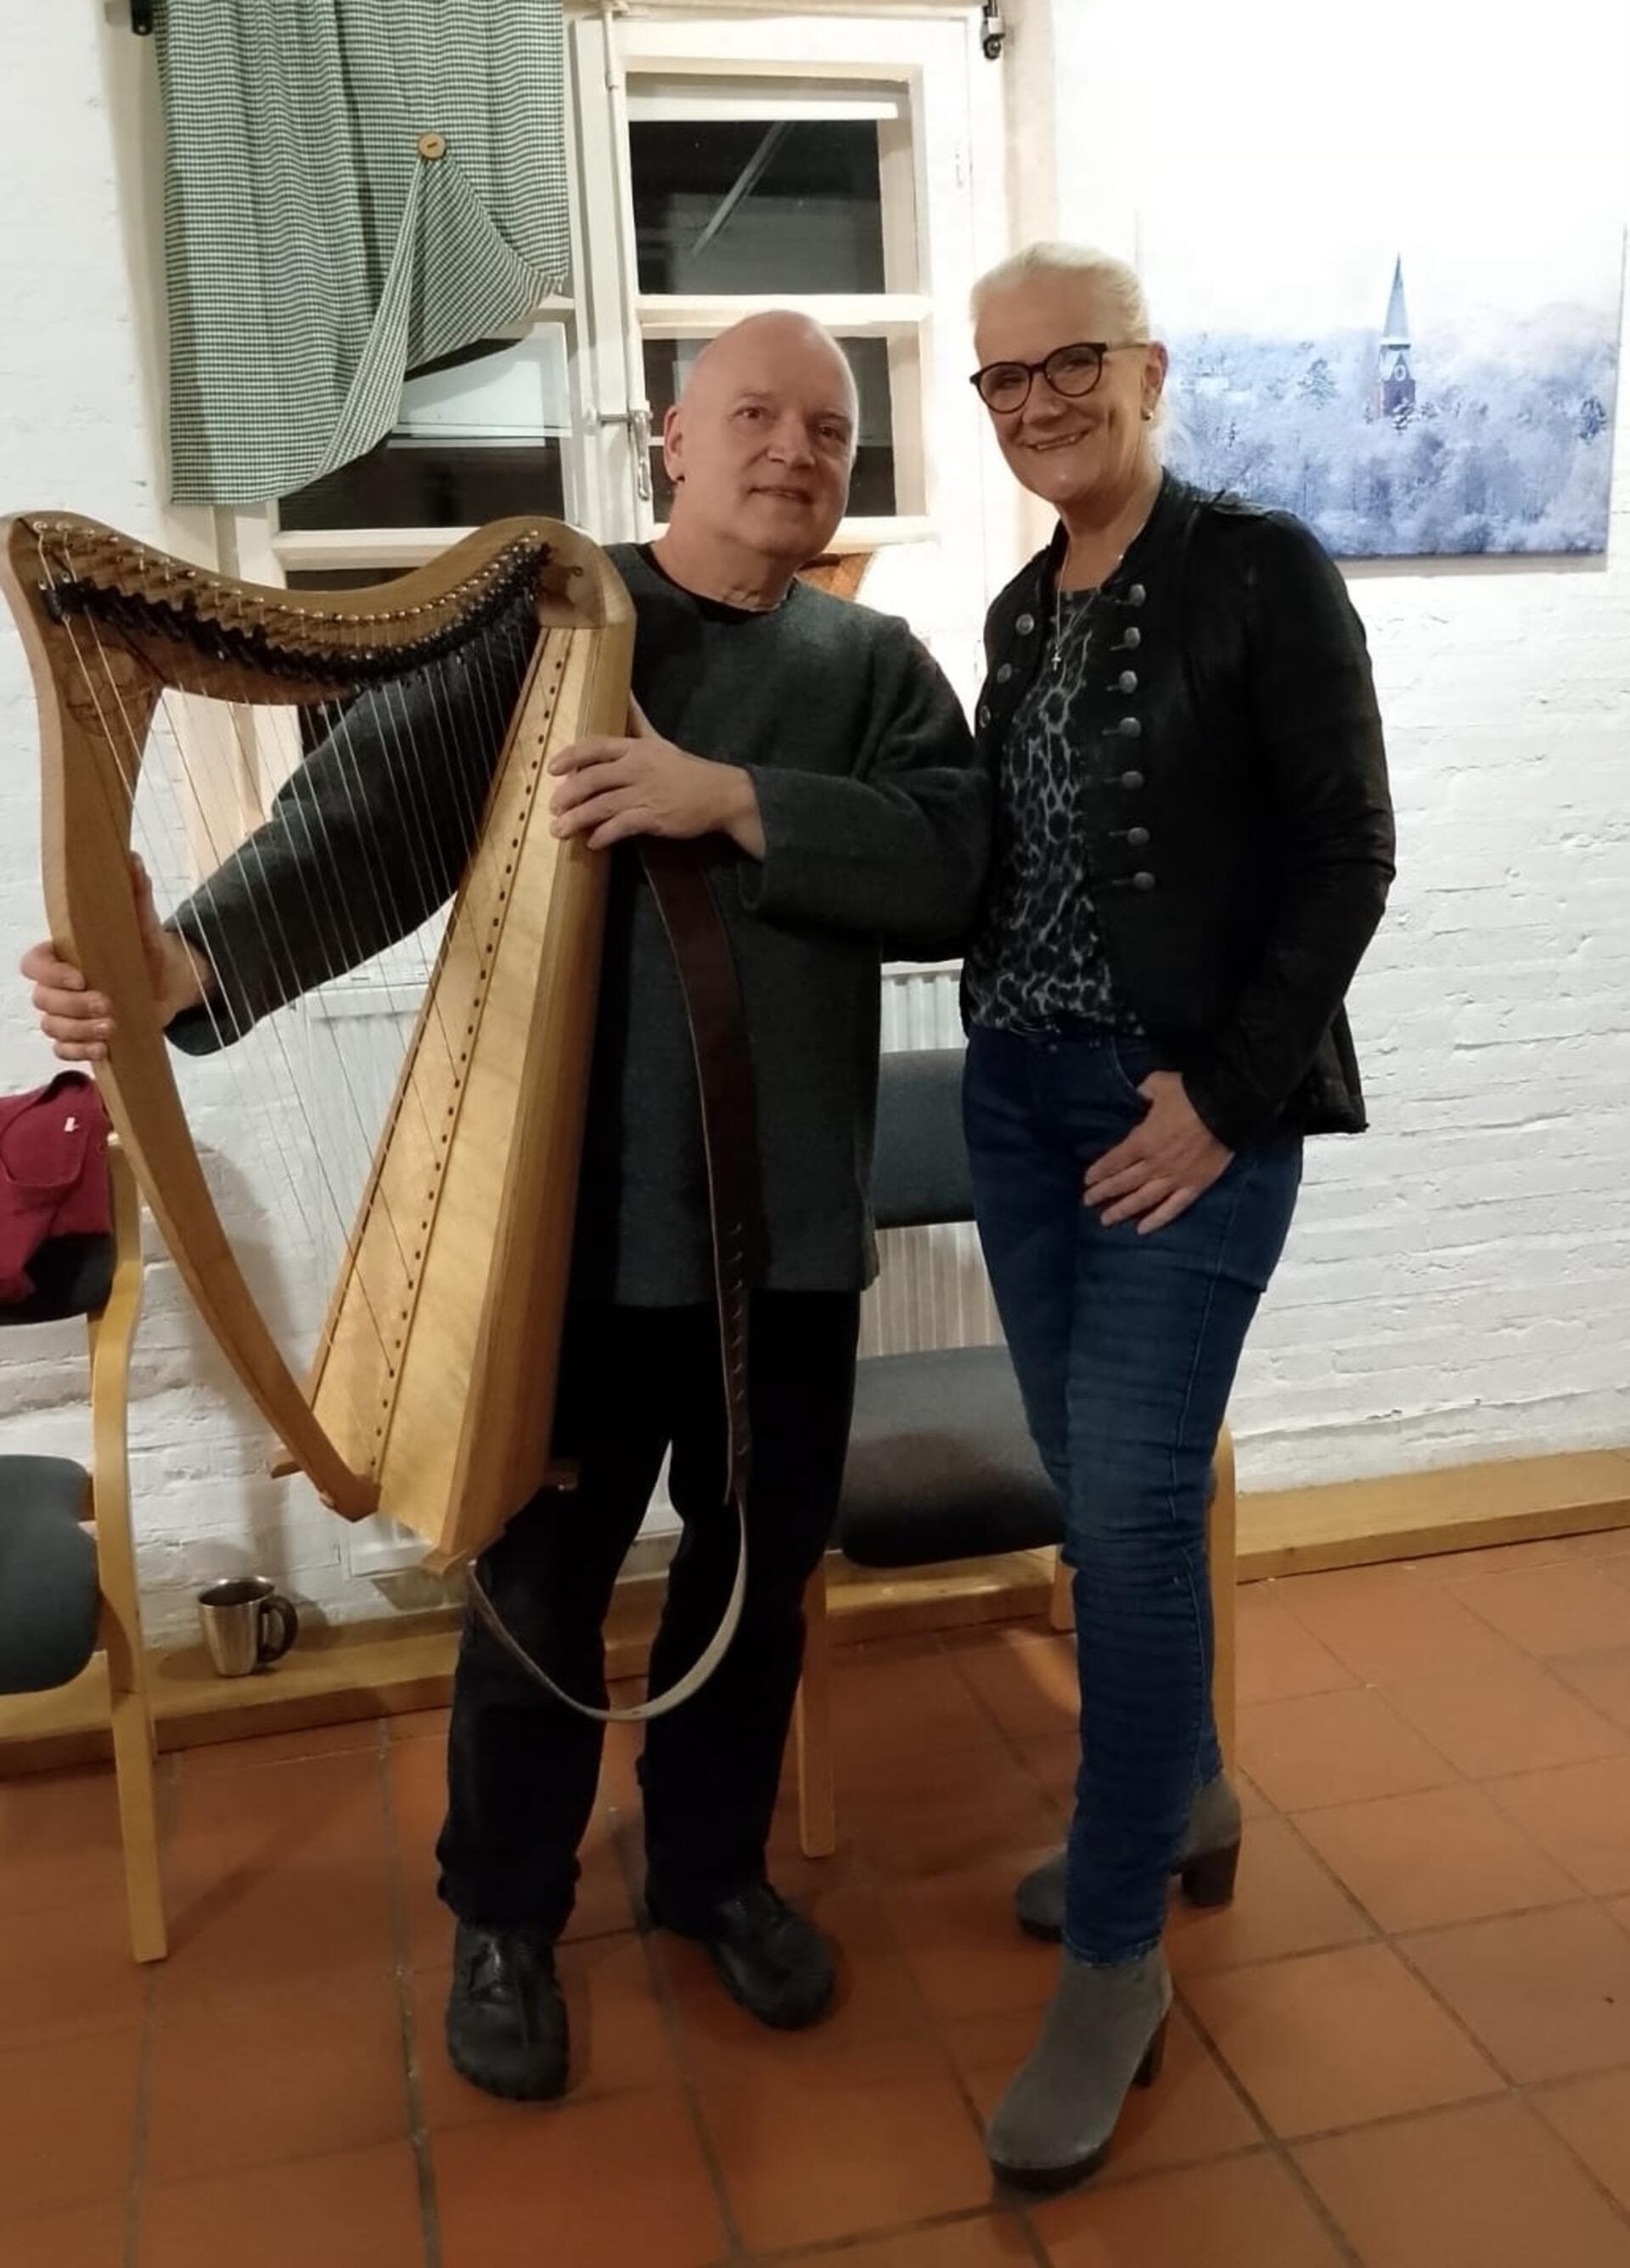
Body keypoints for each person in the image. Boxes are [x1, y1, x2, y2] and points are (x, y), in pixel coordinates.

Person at [20, 312, 990, 2102]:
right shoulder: (550, 628)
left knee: (757, 1580)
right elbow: (365, 822)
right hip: (578, 1238)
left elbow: (953, 865)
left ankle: (710, 1872)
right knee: (540, 1586)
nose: (793, 448)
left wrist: (733, 800)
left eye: (830, 428)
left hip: (787, 1241)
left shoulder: (878, 664)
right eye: (754, 415)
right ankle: (506, 1914)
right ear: (672, 443)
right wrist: (180, 974)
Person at [958, 244, 1394, 2190]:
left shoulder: (1256, 566)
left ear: (1145, 364)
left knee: (1128, 1523)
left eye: (1069, 366)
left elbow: (1348, 849)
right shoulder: (1014, 615)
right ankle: (1189, 1789)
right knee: (1097, 1500)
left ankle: (1119, 1957)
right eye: (999, 382)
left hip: (1183, 1120)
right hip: (1019, 1110)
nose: (1037, 404)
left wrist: (1218, 1099)